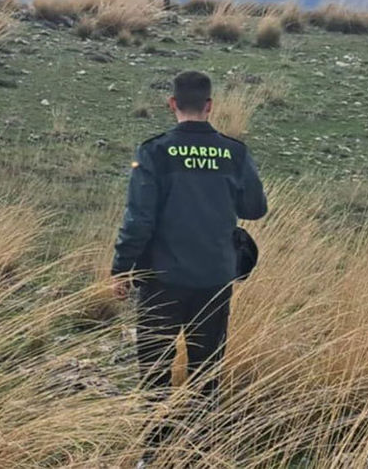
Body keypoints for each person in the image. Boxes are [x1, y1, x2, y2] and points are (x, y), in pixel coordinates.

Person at [111, 71, 267, 452]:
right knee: (206, 367)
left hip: (160, 278)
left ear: (172, 105)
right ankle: (199, 449)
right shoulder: (234, 152)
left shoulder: (155, 151)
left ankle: (154, 450)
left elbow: (139, 219)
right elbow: (255, 208)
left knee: (154, 367)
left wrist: (122, 268)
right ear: (210, 106)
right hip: (215, 277)